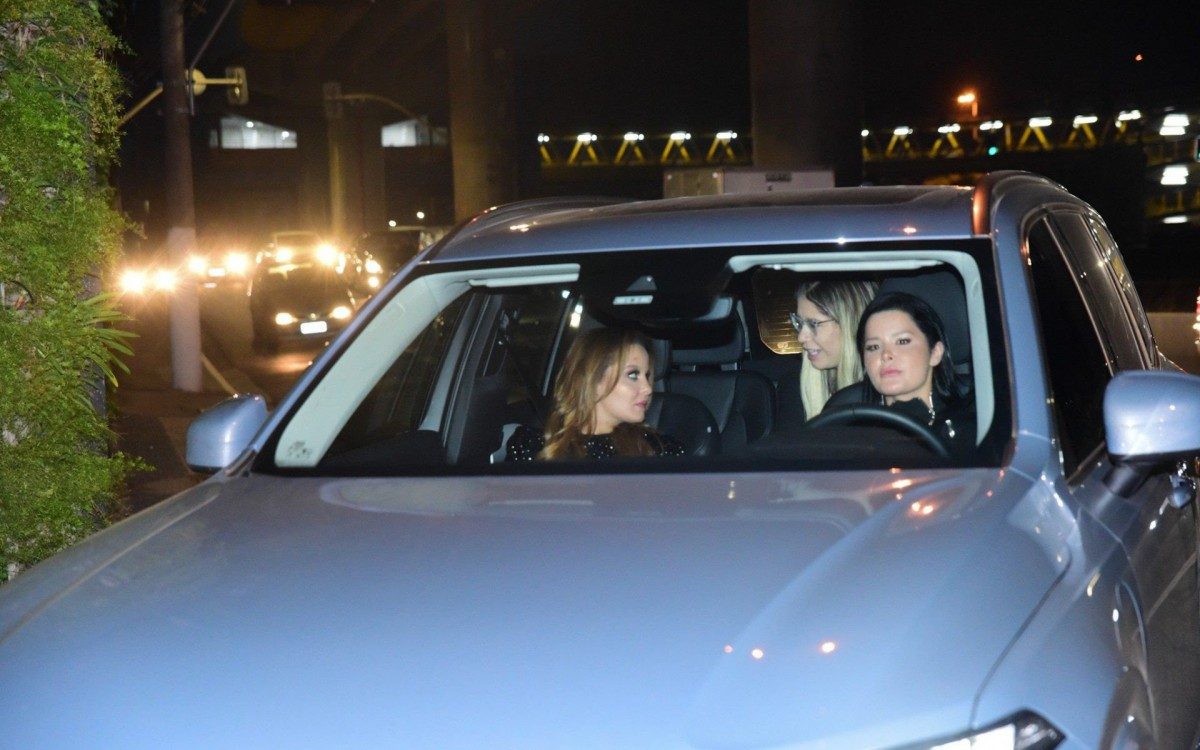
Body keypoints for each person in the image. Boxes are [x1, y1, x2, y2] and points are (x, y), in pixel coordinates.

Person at [505, 327, 685, 461]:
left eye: (647, 376)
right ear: (593, 378)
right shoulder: (532, 446)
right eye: (633, 375)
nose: (647, 388)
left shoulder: (658, 450)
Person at [854, 291, 974, 455]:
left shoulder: (970, 431)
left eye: (902, 341)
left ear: (935, 353)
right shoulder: (847, 426)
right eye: (873, 347)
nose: (885, 355)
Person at [791, 279, 878, 419]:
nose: (801, 337)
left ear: (852, 324)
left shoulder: (888, 393)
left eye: (814, 324)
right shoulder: (794, 394)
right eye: (799, 322)